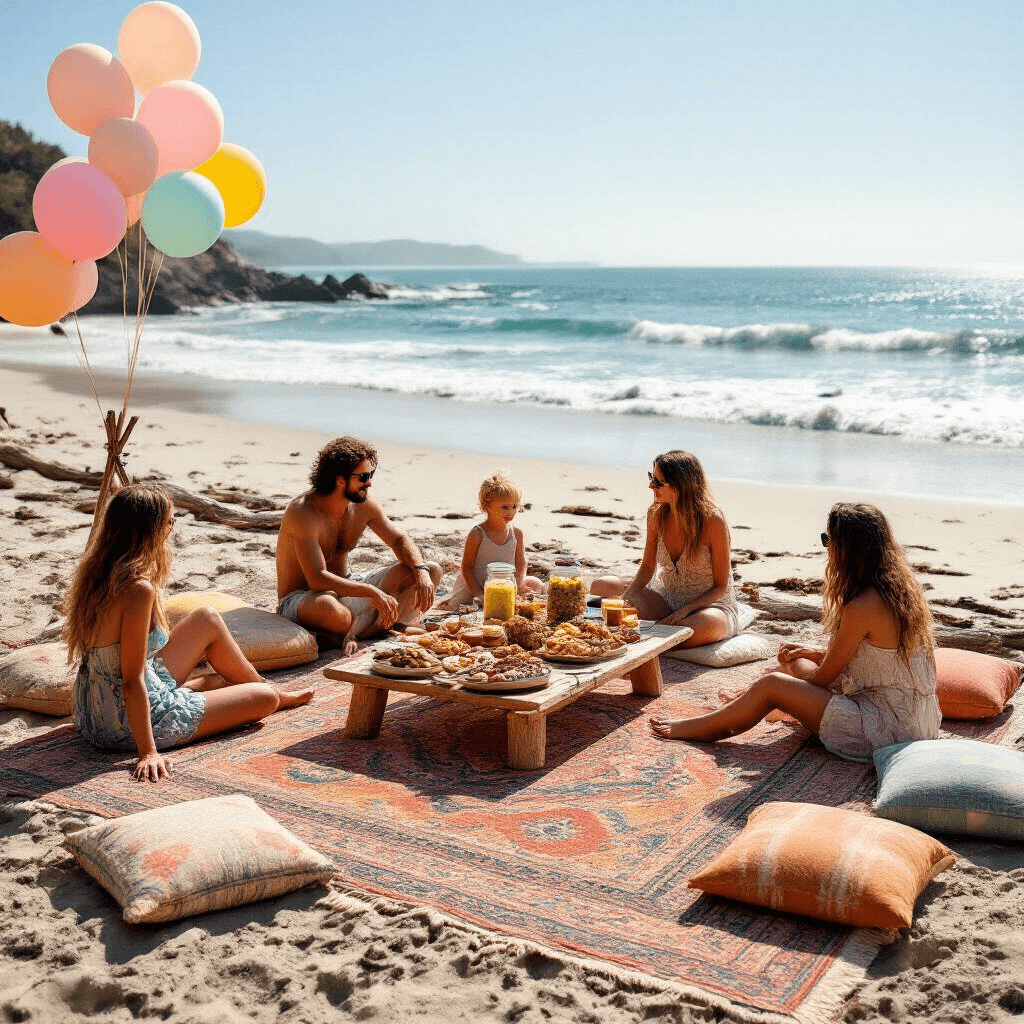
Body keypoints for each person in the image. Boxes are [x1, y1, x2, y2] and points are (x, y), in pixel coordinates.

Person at [650, 502, 940, 761]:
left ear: (848, 548)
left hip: (883, 729)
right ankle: (756, 700)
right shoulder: (900, 592)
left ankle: (702, 727)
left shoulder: (862, 606)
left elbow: (824, 678)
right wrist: (810, 656)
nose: (827, 548)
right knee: (796, 663)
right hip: (916, 721)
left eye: (828, 540)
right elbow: (880, 661)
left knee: (772, 684)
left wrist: (784, 686)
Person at [64, 485, 313, 783]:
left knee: (206, 618)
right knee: (265, 699)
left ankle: (250, 685)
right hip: (122, 722)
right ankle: (265, 692)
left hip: (92, 710)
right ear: (151, 529)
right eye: (170, 521)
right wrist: (148, 752)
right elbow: (131, 679)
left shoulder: (96, 572)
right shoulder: (137, 590)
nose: (171, 528)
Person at [276, 436, 442, 655]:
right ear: (340, 480)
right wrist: (371, 592)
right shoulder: (303, 512)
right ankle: (374, 626)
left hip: (349, 585)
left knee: (432, 570)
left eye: (372, 474)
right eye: (363, 476)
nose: (369, 482)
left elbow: (399, 540)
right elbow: (317, 579)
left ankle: (355, 631)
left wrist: (420, 570)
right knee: (329, 608)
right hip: (304, 598)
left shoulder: (364, 505)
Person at [590, 450, 738, 647]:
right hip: (666, 599)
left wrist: (685, 611)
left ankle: (657, 636)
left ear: (680, 485)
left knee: (704, 625)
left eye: (658, 482)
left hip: (709, 606)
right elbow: (647, 567)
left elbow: (720, 586)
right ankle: (660, 635)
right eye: (651, 477)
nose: (650, 485)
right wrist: (627, 599)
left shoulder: (713, 521)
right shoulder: (656, 514)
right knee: (601, 585)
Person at [440, 472, 543, 610]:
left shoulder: (517, 533)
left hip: (505, 584)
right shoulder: (478, 534)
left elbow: (521, 561)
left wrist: (519, 582)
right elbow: (466, 567)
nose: (511, 512)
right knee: (463, 606)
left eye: (514, 507)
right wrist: (478, 593)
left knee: (536, 583)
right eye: (505, 507)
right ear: (487, 506)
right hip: (476, 585)